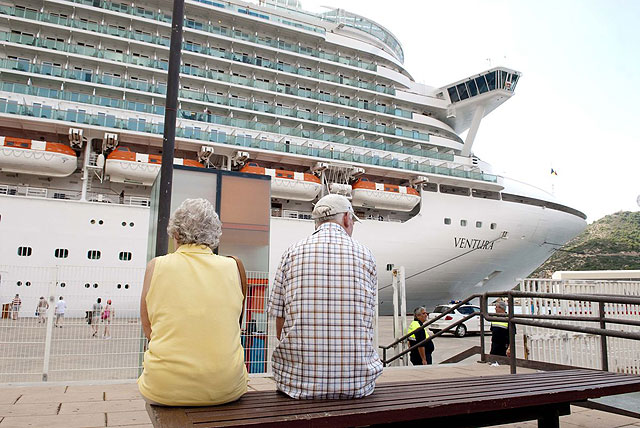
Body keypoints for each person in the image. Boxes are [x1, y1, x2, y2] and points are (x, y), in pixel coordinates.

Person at [268, 194, 382, 399]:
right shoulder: (366, 255)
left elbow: (279, 324)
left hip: (296, 384)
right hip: (357, 384)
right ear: (347, 218)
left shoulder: (291, 253)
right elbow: (367, 319)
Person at [138, 198, 247, 406]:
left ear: (176, 234)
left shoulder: (156, 266)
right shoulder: (234, 266)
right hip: (227, 387)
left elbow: (148, 326)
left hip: (163, 389)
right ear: (214, 234)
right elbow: (235, 321)